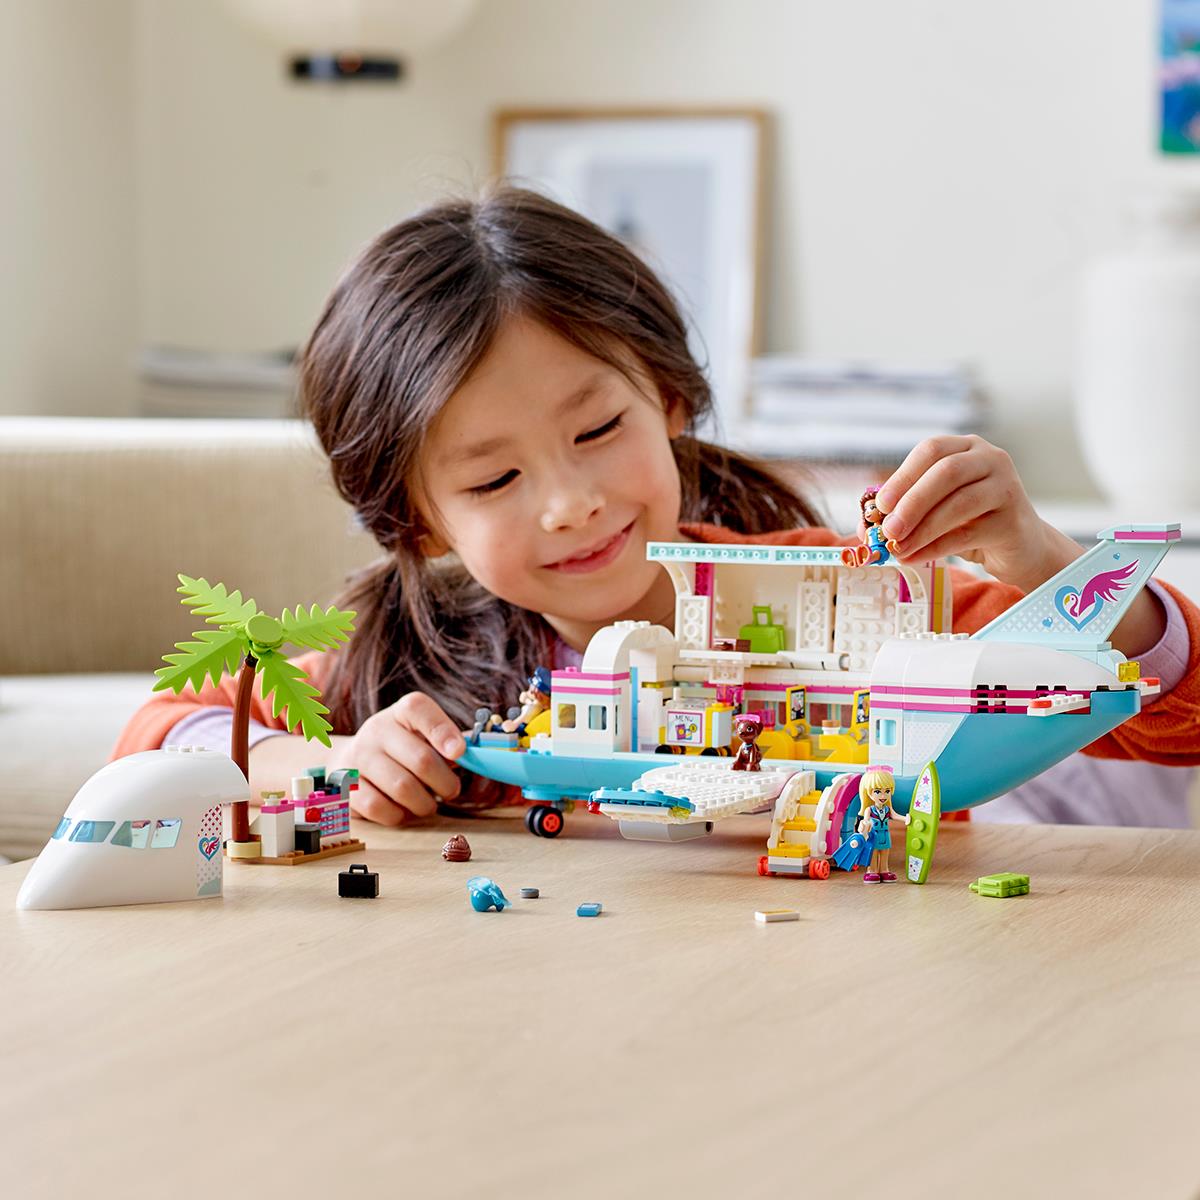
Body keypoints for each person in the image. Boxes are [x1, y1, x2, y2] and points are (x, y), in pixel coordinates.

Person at [113, 186, 1200, 827]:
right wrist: (332, 762)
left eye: (597, 431)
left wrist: (1040, 559)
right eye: (493, 481)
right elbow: (160, 737)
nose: (571, 503)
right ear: (418, 519)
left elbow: (1178, 718)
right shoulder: (410, 661)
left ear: (669, 399)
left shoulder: (848, 597)